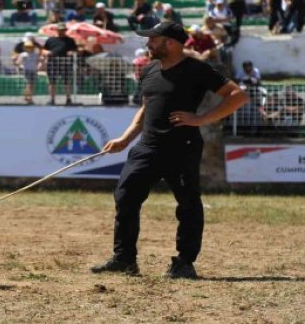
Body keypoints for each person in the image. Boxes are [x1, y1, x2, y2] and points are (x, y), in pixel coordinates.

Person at [92, 21, 249, 279]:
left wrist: (200, 119)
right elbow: (146, 107)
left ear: (171, 43)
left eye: (153, 39)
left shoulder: (197, 69)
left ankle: (184, 262)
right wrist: (126, 138)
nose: (148, 44)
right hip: (147, 146)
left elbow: (238, 96)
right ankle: (124, 260)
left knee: (188, 204)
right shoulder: (149, 69)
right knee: (125, 196)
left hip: (182, 147)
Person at [44, 23, 77, 105]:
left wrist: (72, 52)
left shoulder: (70, 40)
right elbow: (43, 50)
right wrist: (47, 52)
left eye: (63, 30)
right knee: (52, 82)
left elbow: (75, 50)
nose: (61, 31)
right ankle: (52, 99)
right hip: (53, 62)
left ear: (65, 30)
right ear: (57, 30)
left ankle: (68, 99)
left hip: (66, 62)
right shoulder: (50, 40)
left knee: (67, 82)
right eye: (60, 30)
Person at [15, 40, 44, 105]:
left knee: (32, 85)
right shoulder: (23, 54)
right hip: (27, 71)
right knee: (29, 84)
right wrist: (21, 66)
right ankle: (29, 98)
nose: (29, 48)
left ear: (33, 47)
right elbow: (17, 62)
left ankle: (27, 96)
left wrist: (40, 65)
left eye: (30, 47)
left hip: (33, 70)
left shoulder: (35, 54)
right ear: (25, 48)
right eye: (27, 47)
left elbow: (40, 60)